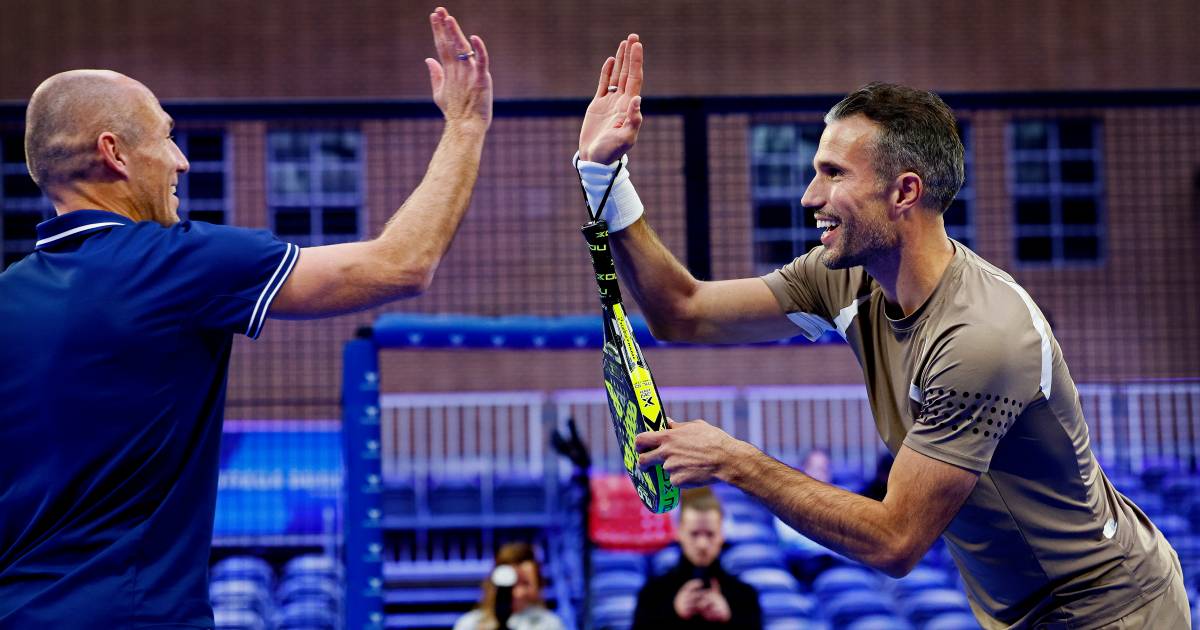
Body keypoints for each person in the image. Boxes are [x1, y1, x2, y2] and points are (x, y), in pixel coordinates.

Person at [576, 35, 1190, 628]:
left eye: (833, 173)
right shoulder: (844, 275)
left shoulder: (981, 338)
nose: (808, 195)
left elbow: (895, 541)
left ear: (904, 192)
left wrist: (733, 460)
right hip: (1030, 612)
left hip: (1113, 612)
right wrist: (605, 176)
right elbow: (681, 309)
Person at [0, 8, 491, 627]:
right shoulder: (173, 264)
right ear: (114, 154)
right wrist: (467, 125)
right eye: (165, 136)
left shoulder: (8, 296)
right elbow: (401, 264)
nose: (180, 161)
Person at [633, 488, 762, 629]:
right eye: (694, 534)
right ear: (679, 532)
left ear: (722, 535)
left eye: (710, 534)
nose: (702, 544)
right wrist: (672, 612)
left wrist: (728, 618)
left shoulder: (745, 597)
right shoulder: (652, 595)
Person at [453, 542, 565, 630]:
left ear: (538, 586)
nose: (519, 593)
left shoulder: (551, 625)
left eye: (525, 583)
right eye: (513, 583)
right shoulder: (470, 624)